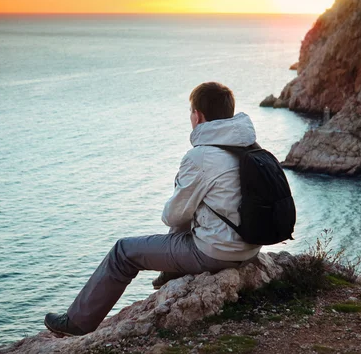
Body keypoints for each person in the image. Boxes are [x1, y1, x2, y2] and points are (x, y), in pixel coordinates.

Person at [44, 82, 262, 336]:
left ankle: (77, 323)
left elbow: (171, 216)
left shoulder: (201, 156)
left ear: (198, 116)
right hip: (250, 248)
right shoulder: (248, 146)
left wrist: (180, 188)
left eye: (191, 113)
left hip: (217, 252)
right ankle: (169, 271)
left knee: (123, 251)